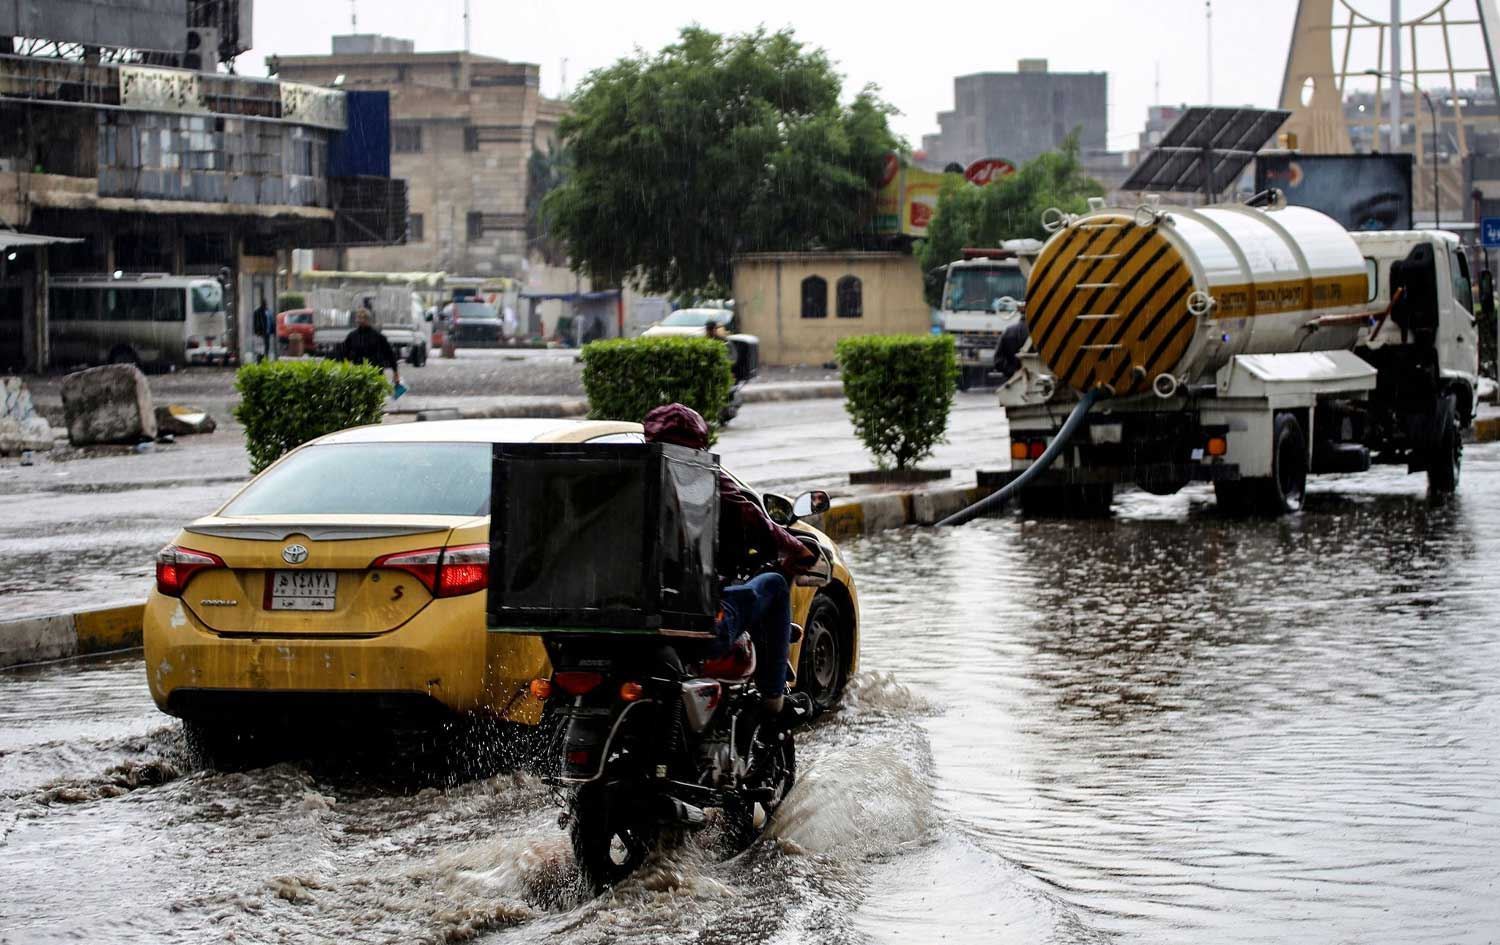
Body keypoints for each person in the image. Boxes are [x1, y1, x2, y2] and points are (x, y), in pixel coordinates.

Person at [642, 403, 817, 726]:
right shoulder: (696, 472)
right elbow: (752, 516)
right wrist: (795, 549)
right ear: (698, 445)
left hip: (609, 625)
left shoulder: (626, 477)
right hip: (686, 622)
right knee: (776, 586)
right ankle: (774, 700)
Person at [339, 307, 401, 387]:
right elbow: (343, 352)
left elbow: (390, 354)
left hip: (375, 373)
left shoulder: (378, 336)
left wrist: (395, 372)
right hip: (358, 373)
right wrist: (344, 368)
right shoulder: (352, 336)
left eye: (362, 318)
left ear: (368, 320)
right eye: (358, 318)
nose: (360, 320)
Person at [252, 297, 274, 362]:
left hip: (267, 332)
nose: (265, 304)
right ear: (262, 303)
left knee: (267, 347)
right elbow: (255, 322)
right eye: (264, 303)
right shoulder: (257, 311)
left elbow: (271, 321)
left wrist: (272, 330)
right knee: (260, 348)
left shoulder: (268, 311)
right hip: (260, 333)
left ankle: (266, 360)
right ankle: (259, 361)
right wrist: (257, 331)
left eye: (265, 303)